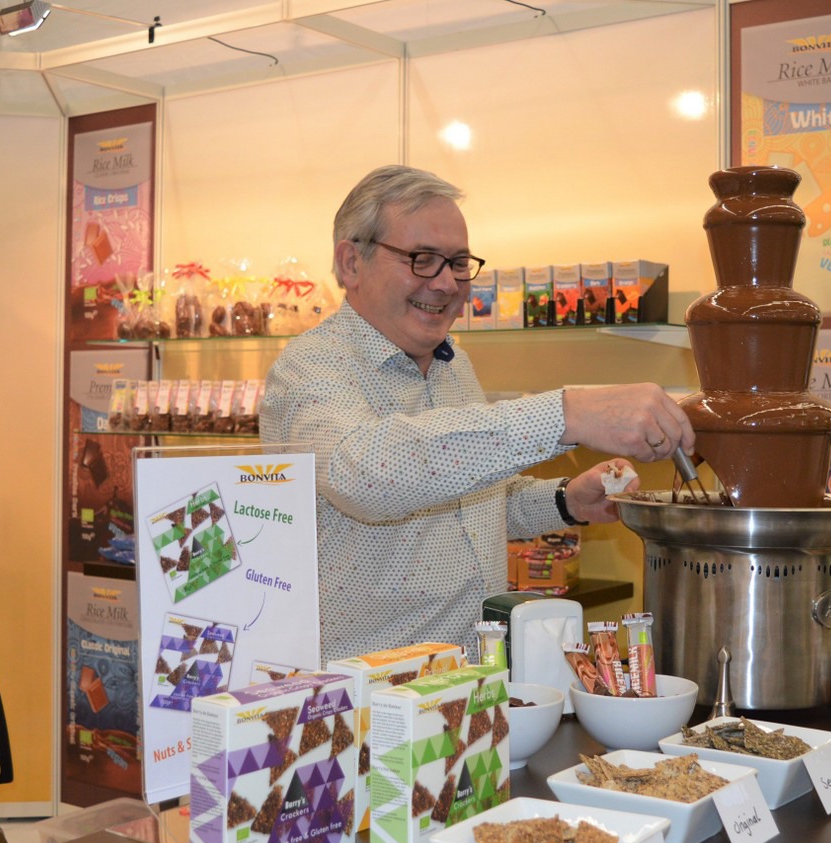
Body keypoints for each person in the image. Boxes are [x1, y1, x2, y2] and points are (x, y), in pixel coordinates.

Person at [260, 164, 694, 661]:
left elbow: (468, 503)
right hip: (365, 692)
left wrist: (565, 500)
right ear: (351, 262)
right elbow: (363, 475)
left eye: (459, 262)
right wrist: (567, 413)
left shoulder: (453, 365)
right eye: (423, 259)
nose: (447, 283)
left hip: (471, 679)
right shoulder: (308, 368)